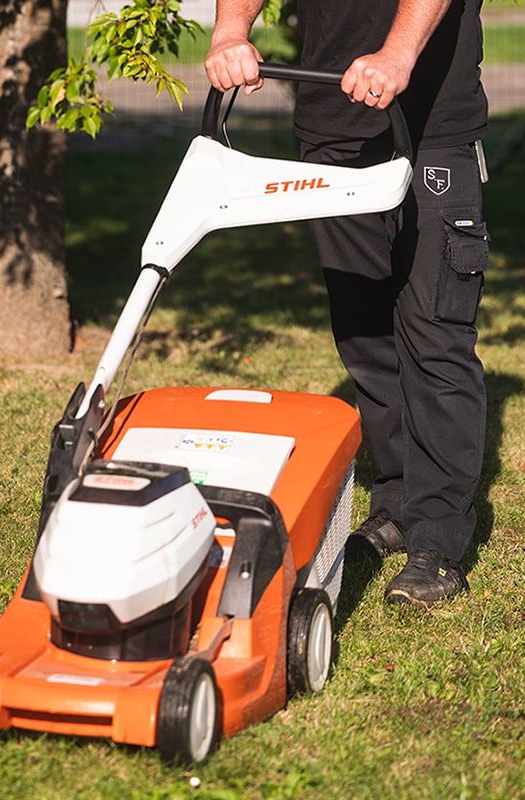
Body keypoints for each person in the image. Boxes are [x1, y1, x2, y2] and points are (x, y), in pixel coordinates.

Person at [205, 0, 490, 606]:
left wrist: (398, 52)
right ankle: (395, 504)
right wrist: (231, 30)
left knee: (433, 332)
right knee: (364, 335)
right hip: (332, 128)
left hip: (431, 125)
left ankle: (437, 537)